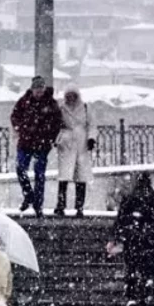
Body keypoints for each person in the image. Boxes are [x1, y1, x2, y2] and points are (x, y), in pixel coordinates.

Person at [107, 172, 154, 306]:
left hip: (133, 242)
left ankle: (133, 298)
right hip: (150, 243)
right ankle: (146, 299)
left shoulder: (129, 199)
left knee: (132, 270)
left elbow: (120, 220)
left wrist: (115, 238)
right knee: (149, 272)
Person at [10, 76, 64, 218]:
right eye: (36, 90)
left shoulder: (51, 103)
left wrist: (50, 137)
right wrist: (21, 127)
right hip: (26, 142)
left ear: (44, 89)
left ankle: (37, 205)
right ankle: (29, 195)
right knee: (20, 168)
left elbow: (57, 122)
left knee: (39, 174)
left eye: (41, 90)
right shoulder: (24, 101)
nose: (39, 93)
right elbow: (14, 115)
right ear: (32, 89)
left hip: (42, 144)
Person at [54, 88, 97, 217]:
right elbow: (55, 124)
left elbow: (92, 124)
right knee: (64, 176)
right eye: (68, 96)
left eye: (73, 96)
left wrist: (91, 139)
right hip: (66, 144)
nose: (71, 98)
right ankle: (61, 205)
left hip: (81, 144)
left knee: (81, 177)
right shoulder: (61, 108)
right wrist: (57, 139)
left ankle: (79, 207)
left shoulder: (85, 108)